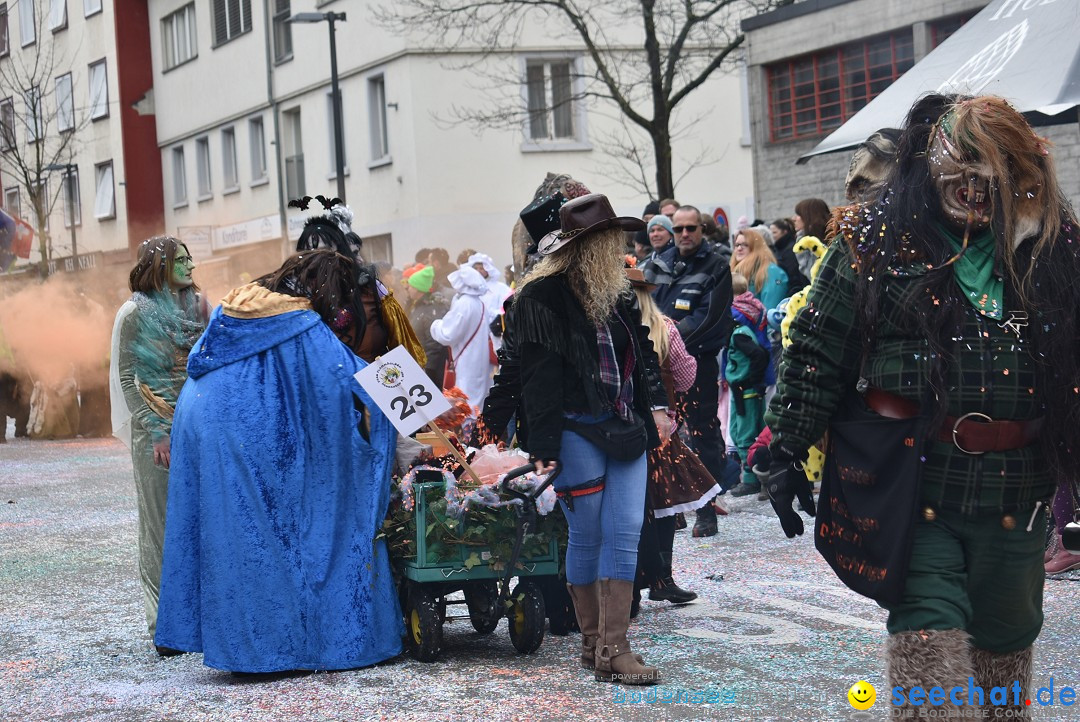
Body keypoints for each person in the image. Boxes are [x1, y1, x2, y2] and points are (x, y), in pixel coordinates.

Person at [766, 93, 1080, 718]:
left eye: (996, 161)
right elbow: (818, 346)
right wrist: (783, 442)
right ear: (929, 160)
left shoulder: (1054, 247)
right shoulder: (873, 238)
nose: (976, 177)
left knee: (1007, 638)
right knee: (928, 633)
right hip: (915, 479)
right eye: (962, 158)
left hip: (1018, 489)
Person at [154, 250, 403, 673]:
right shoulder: (298, 321)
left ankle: (245, 644)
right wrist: (403, 394)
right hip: (240, 426)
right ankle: (271, 650)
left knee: (236, 536)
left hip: (203, 416)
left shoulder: (242, 307)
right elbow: (344, 377)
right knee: (265, 536)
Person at [515, 193, 670, 685]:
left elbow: (644, 354)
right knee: (588, 533)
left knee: (625, 531)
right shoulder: (541, 298)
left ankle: (614, 645)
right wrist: (543, 448)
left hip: (626, 426)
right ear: (584, 245)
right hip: (575, 430)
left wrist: (659, 408)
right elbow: (536, 378)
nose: (619, 245)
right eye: (608, 239)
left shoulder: (619, 292)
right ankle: (593, 644)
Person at [108, 236, 209, 649]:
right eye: (180, 260)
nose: (189, 265)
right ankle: (163, 626)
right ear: (160, 264)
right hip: (157, 435)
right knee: (160, 528)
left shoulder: (199, 306)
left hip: (194, 424)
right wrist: (157, 432)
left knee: (199, 521)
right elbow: (130, 379)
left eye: (190, 257)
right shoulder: (135, 313)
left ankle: (199, 618)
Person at [628, 268, 717, 613]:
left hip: (624, 432)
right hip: (661, 433)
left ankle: (633, 588)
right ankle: (661, 580)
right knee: (662, 506)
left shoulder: (606, 326)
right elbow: (685, 376)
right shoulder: (664, 327)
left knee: (634, 509)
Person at [641, 205, 733, 537]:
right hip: (657, 367)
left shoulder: (717, 266)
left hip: (698, 362)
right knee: (662, 438)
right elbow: (643, 309)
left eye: (691, 228)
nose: (684, 234)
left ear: (701, 230)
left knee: (703, 432)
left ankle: (706, 510)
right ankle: (673, 505)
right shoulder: (656, 265)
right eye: (678, 228)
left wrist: (668, 335)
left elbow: (711, 318)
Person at [724, 276, 772, 499]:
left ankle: (753, 480)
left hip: (747, 388)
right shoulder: (753, 310)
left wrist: (746, 380)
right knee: (739, 430)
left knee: (745, 434)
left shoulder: (739, 328)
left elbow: (757, 354)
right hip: (745, 387)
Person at [430, 265, 496, 407]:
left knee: (467, 400)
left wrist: (435, 325)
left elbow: (448, 334)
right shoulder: (479, 302)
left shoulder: (464, 304)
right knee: (477, 399)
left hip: (467, 360)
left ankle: (469, 429)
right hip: (478, 359)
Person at [402, 263, 450, 386]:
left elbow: (434, 343)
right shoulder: (417, 306)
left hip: (429, 370)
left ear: (418, 288)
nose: (407, 288)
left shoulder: (431, 309)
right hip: (417, 364)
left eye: (411, 286)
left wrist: (427, 368)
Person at [731, 228, 788, 314]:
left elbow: (770, 313)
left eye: (745, 245)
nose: (739, 248)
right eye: (737, 245)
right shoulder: (734, 271)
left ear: (756, 247)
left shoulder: (771, 272)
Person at [792, 198, 831, 280]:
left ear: (808, 216)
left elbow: (813, 275)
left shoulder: (809, 241)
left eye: (798, 215)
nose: (794, 218)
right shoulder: (831, 235)